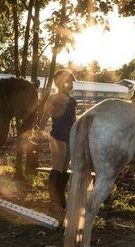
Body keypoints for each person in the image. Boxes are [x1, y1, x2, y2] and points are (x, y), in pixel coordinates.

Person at [39, 69, 77, 214]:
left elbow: (74, 121)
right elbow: (45, 117)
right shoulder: (52, 99)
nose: (72, 85)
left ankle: (61, 200)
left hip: (69, 137)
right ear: (61, 83)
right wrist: (38, 132)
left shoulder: (72, 101)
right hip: (57, 137)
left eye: (72, 83)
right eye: (69, 82)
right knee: (57, 168)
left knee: (65, 171)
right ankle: (53, 202)